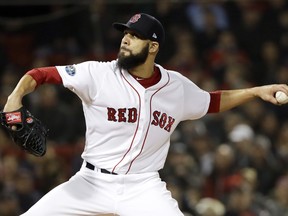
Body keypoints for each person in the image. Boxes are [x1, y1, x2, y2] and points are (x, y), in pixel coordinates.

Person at [2, 13, 288, 216]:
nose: (126, 40)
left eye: (135, 36)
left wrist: (255, 91)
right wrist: (14, 99)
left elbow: (212, 101)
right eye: (125, 33)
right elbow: (39, 75)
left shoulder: (176, 85)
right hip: (90, 181)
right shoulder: (98, 73)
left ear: (153, 47)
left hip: (143, 186)